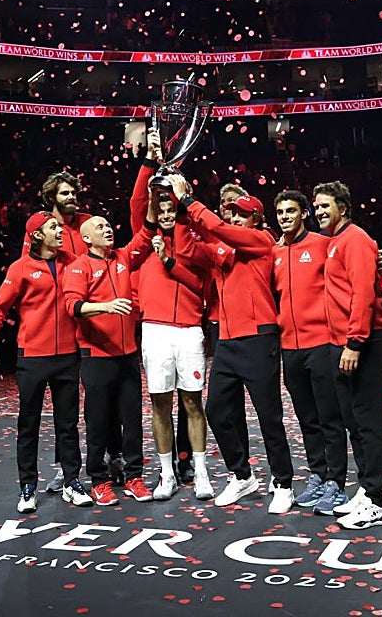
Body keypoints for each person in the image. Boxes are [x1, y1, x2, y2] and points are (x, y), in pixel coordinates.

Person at [171, 174, 295, 513]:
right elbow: (185, 249)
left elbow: (219, 229)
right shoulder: (225, 249)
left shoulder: (261, 239)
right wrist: (182, 214)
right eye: (232, 213)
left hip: (258, 337)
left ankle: (283, 482)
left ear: (256, 218)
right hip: (227, 340)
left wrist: (188, 201)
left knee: (269, 416)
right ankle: (242, 475)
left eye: (242, 213)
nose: (235, 218)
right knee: (215, 410)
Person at [0, 212, 92, 513]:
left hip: (67, 356)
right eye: (53, 227)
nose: (60, 231)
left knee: (68, 424)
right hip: (32, 357)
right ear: (38, 235)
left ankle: (71, 481)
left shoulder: (73, 262)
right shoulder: (20, 268)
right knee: (28, 425)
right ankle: (27, 487)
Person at [130, 132, 214, 502]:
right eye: (160, 210)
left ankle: (201, 473)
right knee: (160, 404)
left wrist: (181, 197)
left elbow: (197, 280)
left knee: (193, 403)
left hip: (190, 330)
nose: (165, 215)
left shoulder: (194, 242)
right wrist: (150, 162)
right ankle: (166, 476)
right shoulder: (144, 238)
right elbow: (138, 200)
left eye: (170, 209)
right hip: (155, 330)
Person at [313, 180, 382, 530]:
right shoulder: (333, 241)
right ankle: (366, 488)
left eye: (325, 205)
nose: (318, 211)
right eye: (316, 206)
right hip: (340, 342)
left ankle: (376, 502)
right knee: (353, 421)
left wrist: (355, 342)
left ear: (342, 208)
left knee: (368, 422)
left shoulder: (356, 239)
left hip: (362, 343)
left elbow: (363, 295)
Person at [62, 215, 155, 505]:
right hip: (96, 356)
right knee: (99, 421)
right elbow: (72, 305)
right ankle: (99, 480)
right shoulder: (79, 266)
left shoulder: (123, 257)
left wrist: (153, 195)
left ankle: (134, 477)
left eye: (108, 225)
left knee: (132, 419)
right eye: (100, 227)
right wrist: (106, 307)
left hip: (127, 355)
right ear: (86, 238)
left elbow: (146, 232)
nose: (108, 229)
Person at [271, 189, 350, 514]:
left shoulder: (323, 244)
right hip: (289, 348)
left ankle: (337, 482)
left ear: (304, 213)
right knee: (307, 419)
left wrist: (379, 261)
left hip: (321, 344)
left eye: (291, 211)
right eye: (280, 212)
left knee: (330, 417)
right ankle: (318, 474)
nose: (285, 217)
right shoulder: (274, 252)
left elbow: (349, 267)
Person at [25, 171, 98, 494]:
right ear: (51, 197)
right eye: (65, 193)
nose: (72, 198)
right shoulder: (40, 228)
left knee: (95, 401)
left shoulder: (88, 223)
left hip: (92, 324)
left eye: (73, 193)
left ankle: (105, 459)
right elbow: (30, 272)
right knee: (64, 413)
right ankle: (66, 471)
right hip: (59, 335)